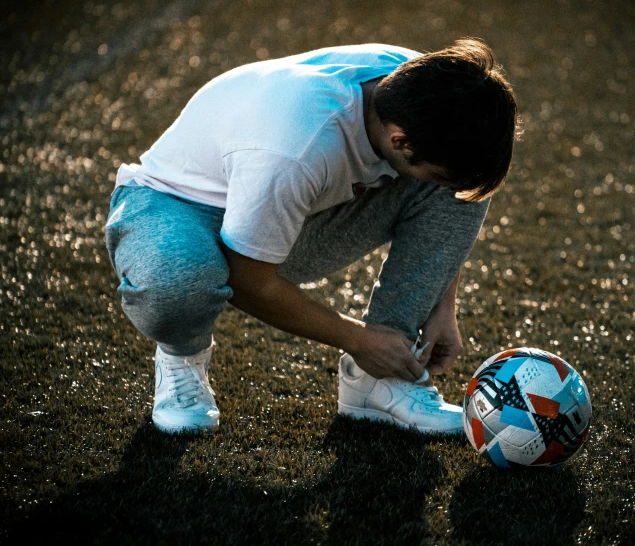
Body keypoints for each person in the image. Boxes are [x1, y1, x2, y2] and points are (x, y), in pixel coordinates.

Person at [105, 38, 518, 435]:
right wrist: (358, 339)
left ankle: (378, 379)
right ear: (400, 141)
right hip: (177, 207)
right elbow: (250, 282)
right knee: (178, 277)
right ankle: (182, 357)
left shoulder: (420, 87)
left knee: (460, 186)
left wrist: (441, 305)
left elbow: (450, 189)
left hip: (285, 199)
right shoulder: (294, 151)